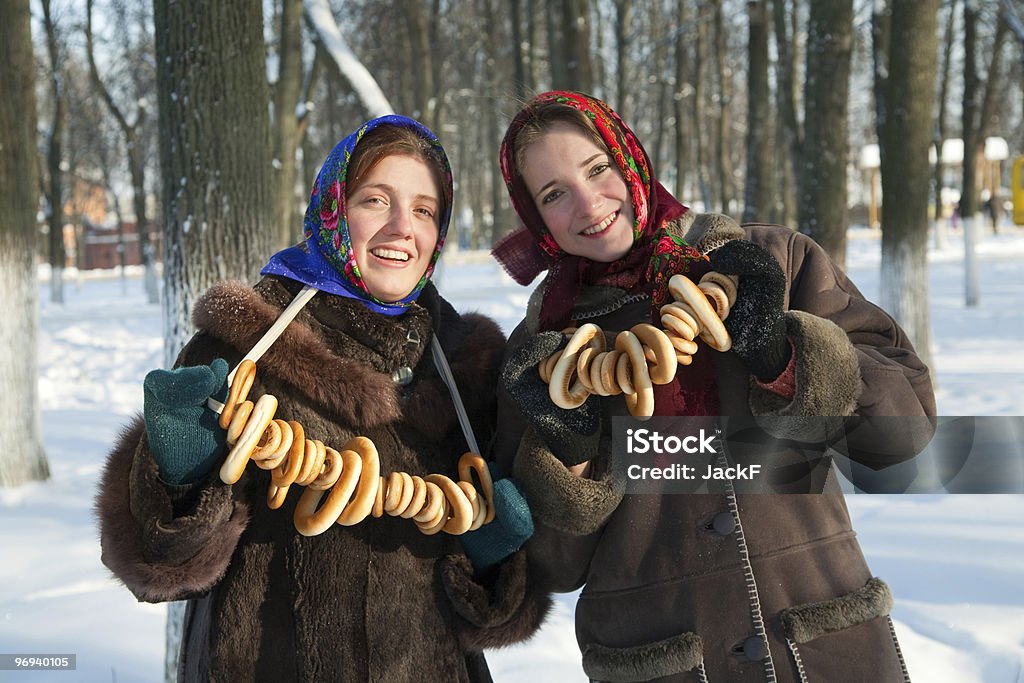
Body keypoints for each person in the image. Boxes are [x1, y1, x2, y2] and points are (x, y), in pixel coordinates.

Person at [491, 91, 936, 682]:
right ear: (535, 217)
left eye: (597, 168)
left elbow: (902, 436)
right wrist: (569, 456)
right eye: (553, 194)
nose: (589, 202)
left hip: (825, 649)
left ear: (630, 159)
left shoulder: (769, 263)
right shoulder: (545, 355)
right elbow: (550, 567)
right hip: (660, 664)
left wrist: (783, 354)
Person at [96, 115, 546, 682]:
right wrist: (179, 478)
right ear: (333, 208)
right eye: (377, 201)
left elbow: (493, 611)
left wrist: (493, 560)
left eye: (425, 210)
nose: (402, 227)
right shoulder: (248, 343)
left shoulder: (465, 364)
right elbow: (154, 568)